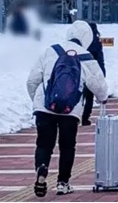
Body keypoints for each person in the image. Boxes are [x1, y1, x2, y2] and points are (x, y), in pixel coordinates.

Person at [26, 20, 108, 197]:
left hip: (45, 108)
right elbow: (100, 86)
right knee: (67, 146)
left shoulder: (51, 50)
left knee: (44, 144)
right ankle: (63, 183)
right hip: (70, 110)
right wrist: (103, 99)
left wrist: (39, 101)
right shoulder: (86, 57)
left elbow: (32, 80)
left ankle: (42, 168)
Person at [80, 22, 106, 126]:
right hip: (92, 72)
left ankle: (75, 115)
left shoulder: (82, 42)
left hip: (80, 70)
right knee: (89, 97)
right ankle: (85, 117)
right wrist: (102, 73)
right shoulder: (96, 42)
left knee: (78, 95)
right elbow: (100, 59)